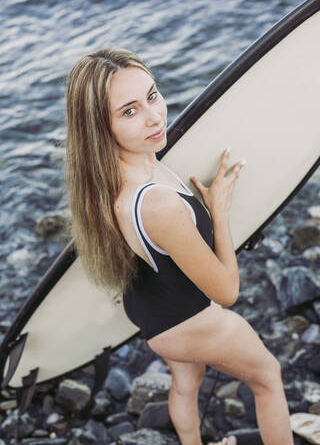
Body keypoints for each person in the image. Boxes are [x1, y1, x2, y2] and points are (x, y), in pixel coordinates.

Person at [65, 47, 294, 445]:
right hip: (187, 319)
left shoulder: (105, 181)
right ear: (100, 127)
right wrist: (218, 212)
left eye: (152, 95)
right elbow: (226, 291)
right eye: (129, 111)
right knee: (268, 377)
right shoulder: (157, 204)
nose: (155, 117)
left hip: (149, 309)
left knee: (187, 382)